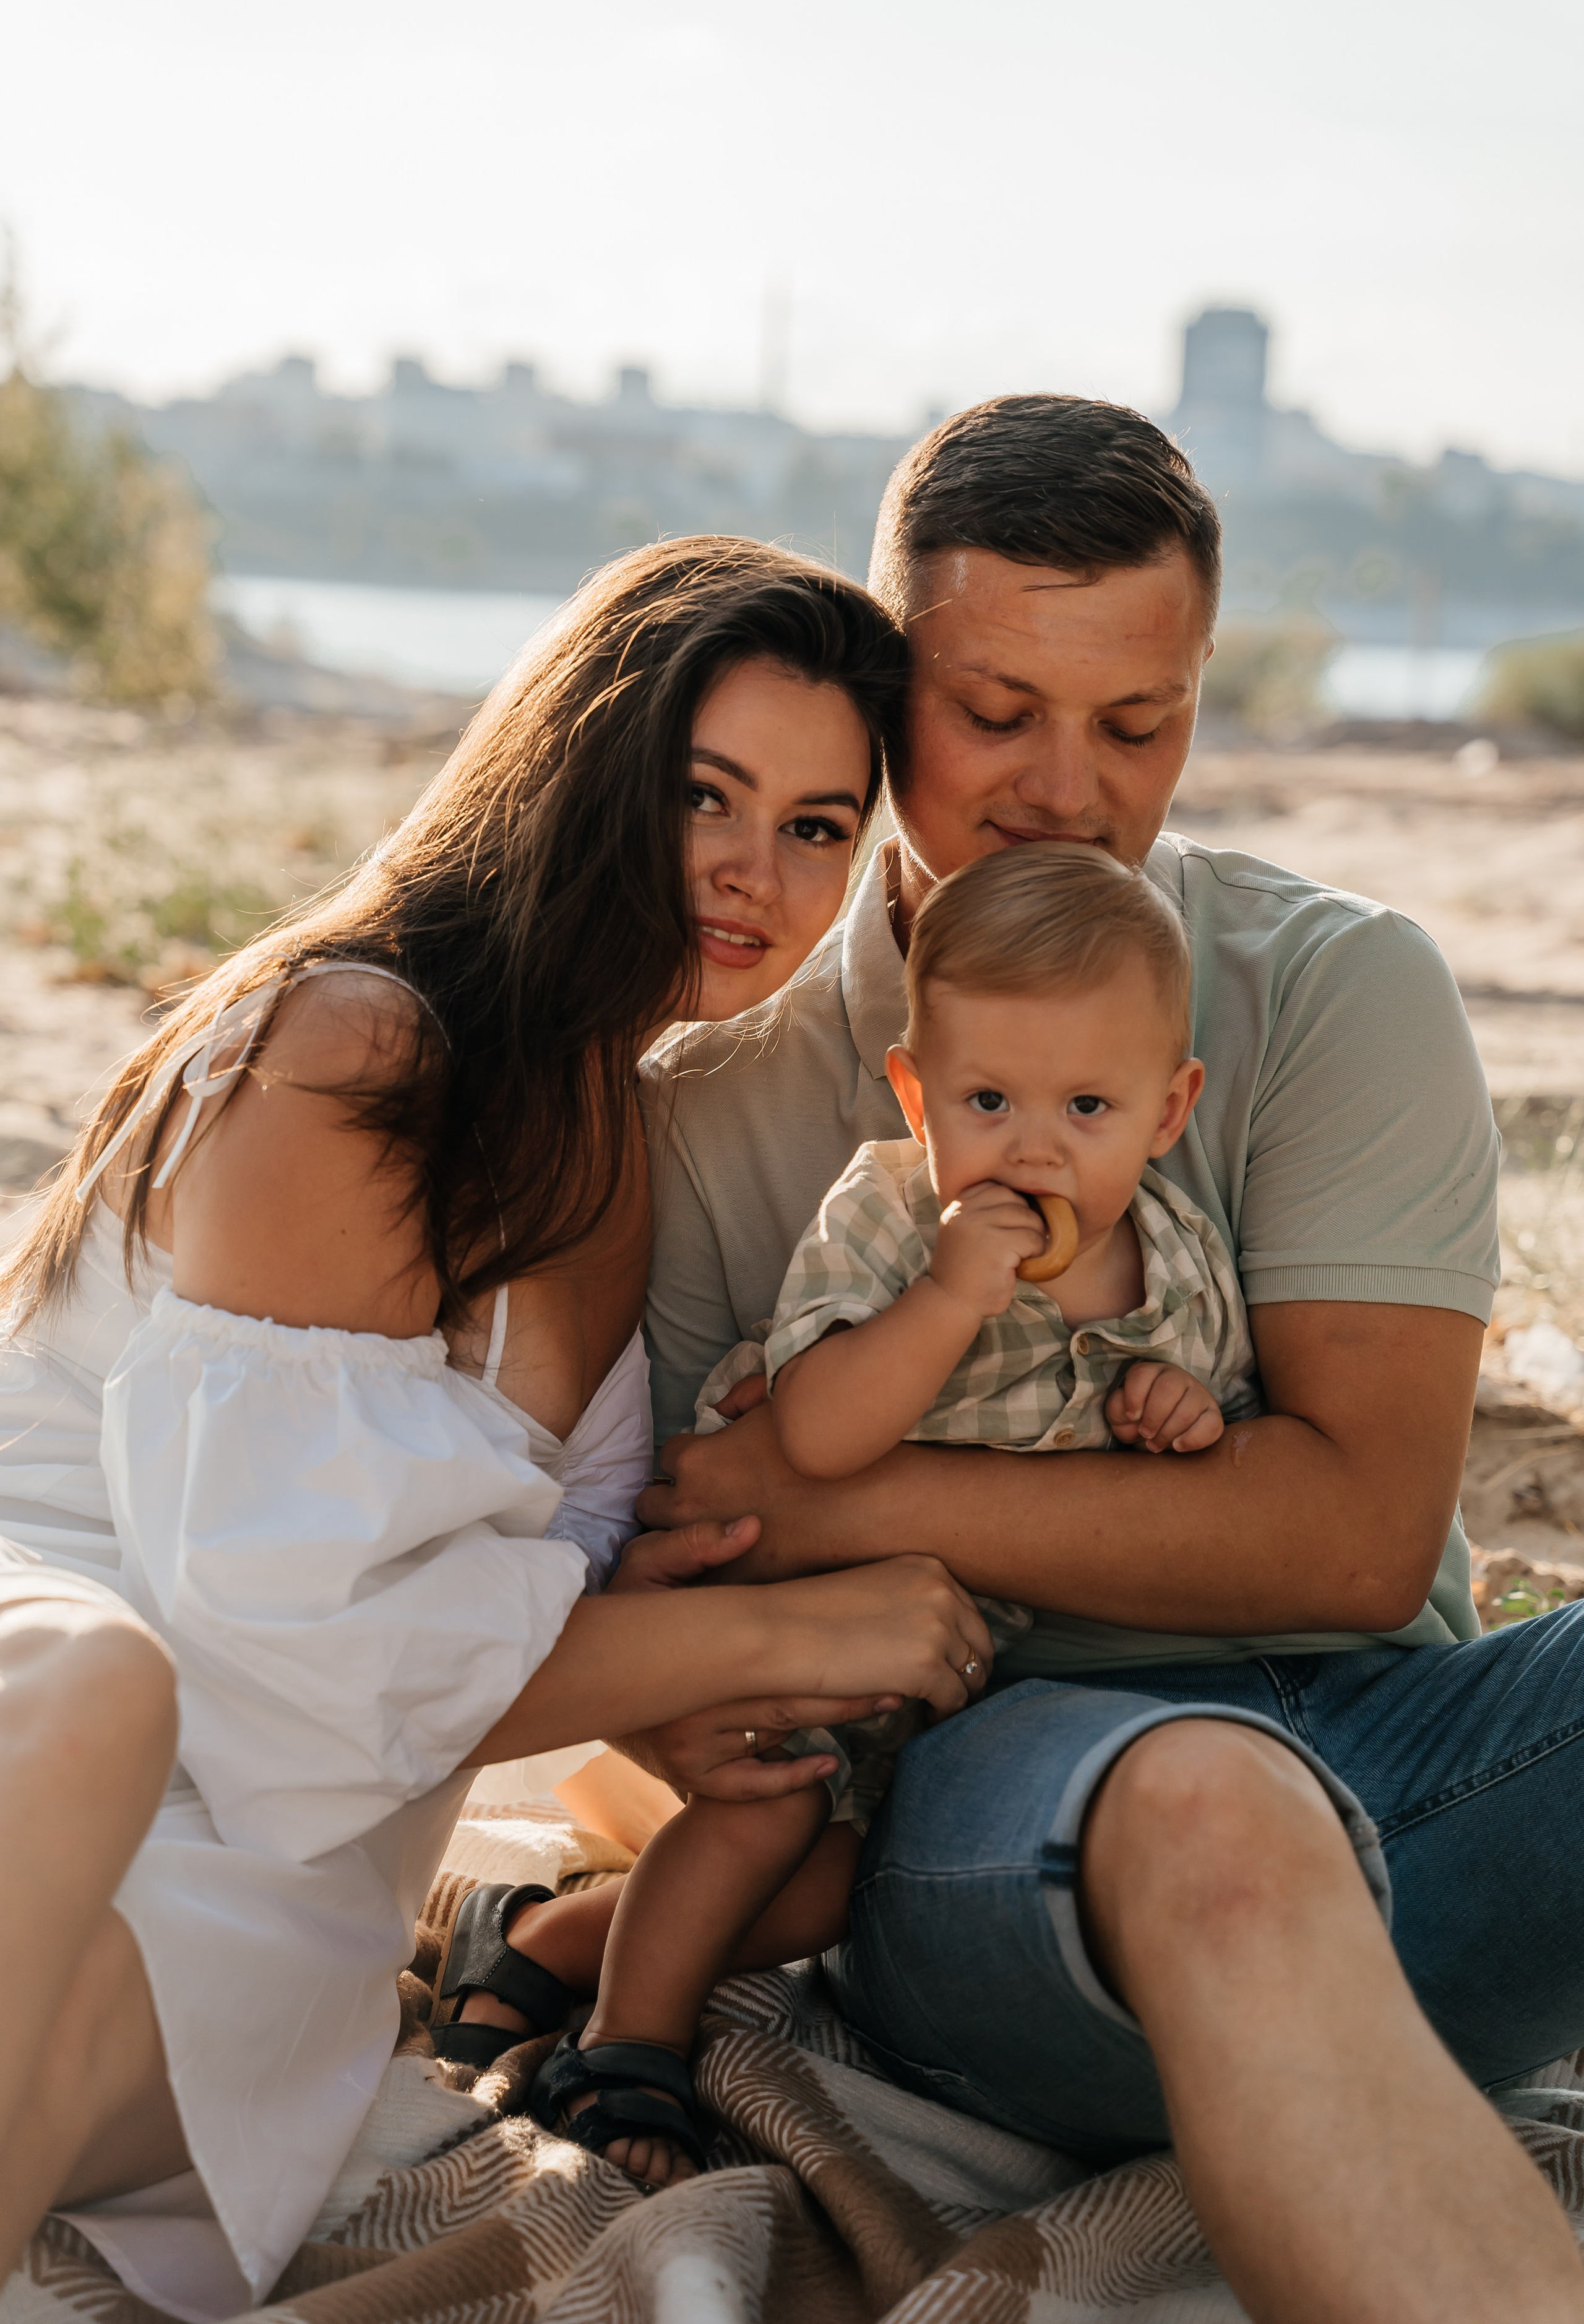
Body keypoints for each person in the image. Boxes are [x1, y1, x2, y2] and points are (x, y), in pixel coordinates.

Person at [634, 401, 1584, 2323]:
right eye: (996, 713)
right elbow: (664, 1587)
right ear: (894, 690)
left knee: (1277, 1785)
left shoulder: (1333, 989)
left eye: (1137, 725)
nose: (1068, 788)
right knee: (1210, 1802)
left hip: (1408, 1777)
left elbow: (1351, 1539)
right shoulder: (721, 1100)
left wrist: (848, 1487)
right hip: (1003, 1834)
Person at [0, 534, 993, 2311]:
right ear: (590, 762)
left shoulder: (623, 1133)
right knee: (97, 1695)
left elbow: (433, 1654)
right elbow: (296, 1649)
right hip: (63, 1716)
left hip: (281, 1923)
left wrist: (689, 1685)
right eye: (705, 794)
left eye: (822, 827)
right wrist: (773, 1626)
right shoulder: (358, 1044)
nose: (754, 873)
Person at [511, 839, 1260, 2182]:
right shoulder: (889, 1217)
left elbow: (1207, 1418)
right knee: (762, 1818)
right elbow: (815, 1433)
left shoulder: (1180, 1258)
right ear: (915, 1094)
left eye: (1086, 1107)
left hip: (940, 1666)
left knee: (824, 1892)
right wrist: (945, 1303)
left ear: (1166, 1109)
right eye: (985, 1099)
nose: (1031, 1147)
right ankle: (626, 2046)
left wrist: (1175, 1409)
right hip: (783, 1611)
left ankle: (554, 1942)